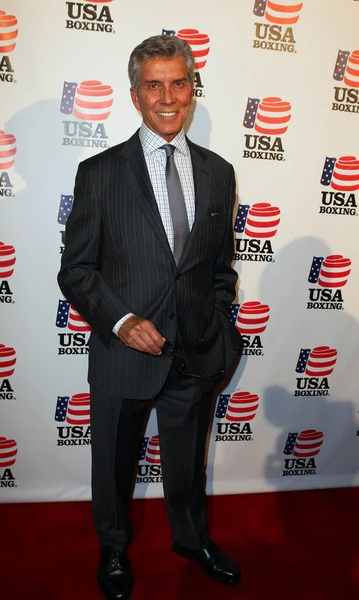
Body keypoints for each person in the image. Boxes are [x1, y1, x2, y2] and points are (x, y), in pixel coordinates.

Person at [58, 34, 242, 600]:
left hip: (195, 352)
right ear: (135, 95)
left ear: (192, 88)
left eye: (178, 83)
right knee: (113, 465)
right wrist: (121, 320)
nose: (168, 97)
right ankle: (113, 546)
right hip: (122, 356)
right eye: (154, 85)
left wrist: (217, 325)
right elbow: (77, 270)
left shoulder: (218, 172)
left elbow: (218, 263)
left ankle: (191, 540)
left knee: (187, 466)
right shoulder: (99, 172)